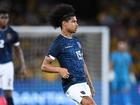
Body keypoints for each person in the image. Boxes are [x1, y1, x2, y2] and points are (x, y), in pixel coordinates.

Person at [41, 4, 96, 105]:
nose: (77, 24)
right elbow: (44, 66)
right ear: (64, 23)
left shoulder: (76, 41)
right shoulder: (58, 43)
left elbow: (82, 63)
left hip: (83, 84)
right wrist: (59, 69)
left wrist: (90, 84)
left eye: (76, 21)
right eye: (73, 21)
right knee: (89, 103)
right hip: (72, 84)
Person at [0, 9, 27, 105]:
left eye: (6, 17)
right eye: (2, 17)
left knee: (8, 93)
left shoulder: (12, 33)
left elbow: (18, 50)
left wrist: (23, 65)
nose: (4, 20)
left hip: (7, 65)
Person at [110, 39, 133, 105]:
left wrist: (131, 74)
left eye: (122, 46)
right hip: (116, 76)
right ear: (118, 47)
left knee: (126, 90)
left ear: (125, 47)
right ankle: (114, 103)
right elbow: (111, 64)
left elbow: (130, 66)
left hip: (124, 76)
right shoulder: (114, 55)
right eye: (120, 46)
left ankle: (127, 103)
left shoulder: (128, 56)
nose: (121, 48)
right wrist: (110, 73)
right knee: (114, 90)